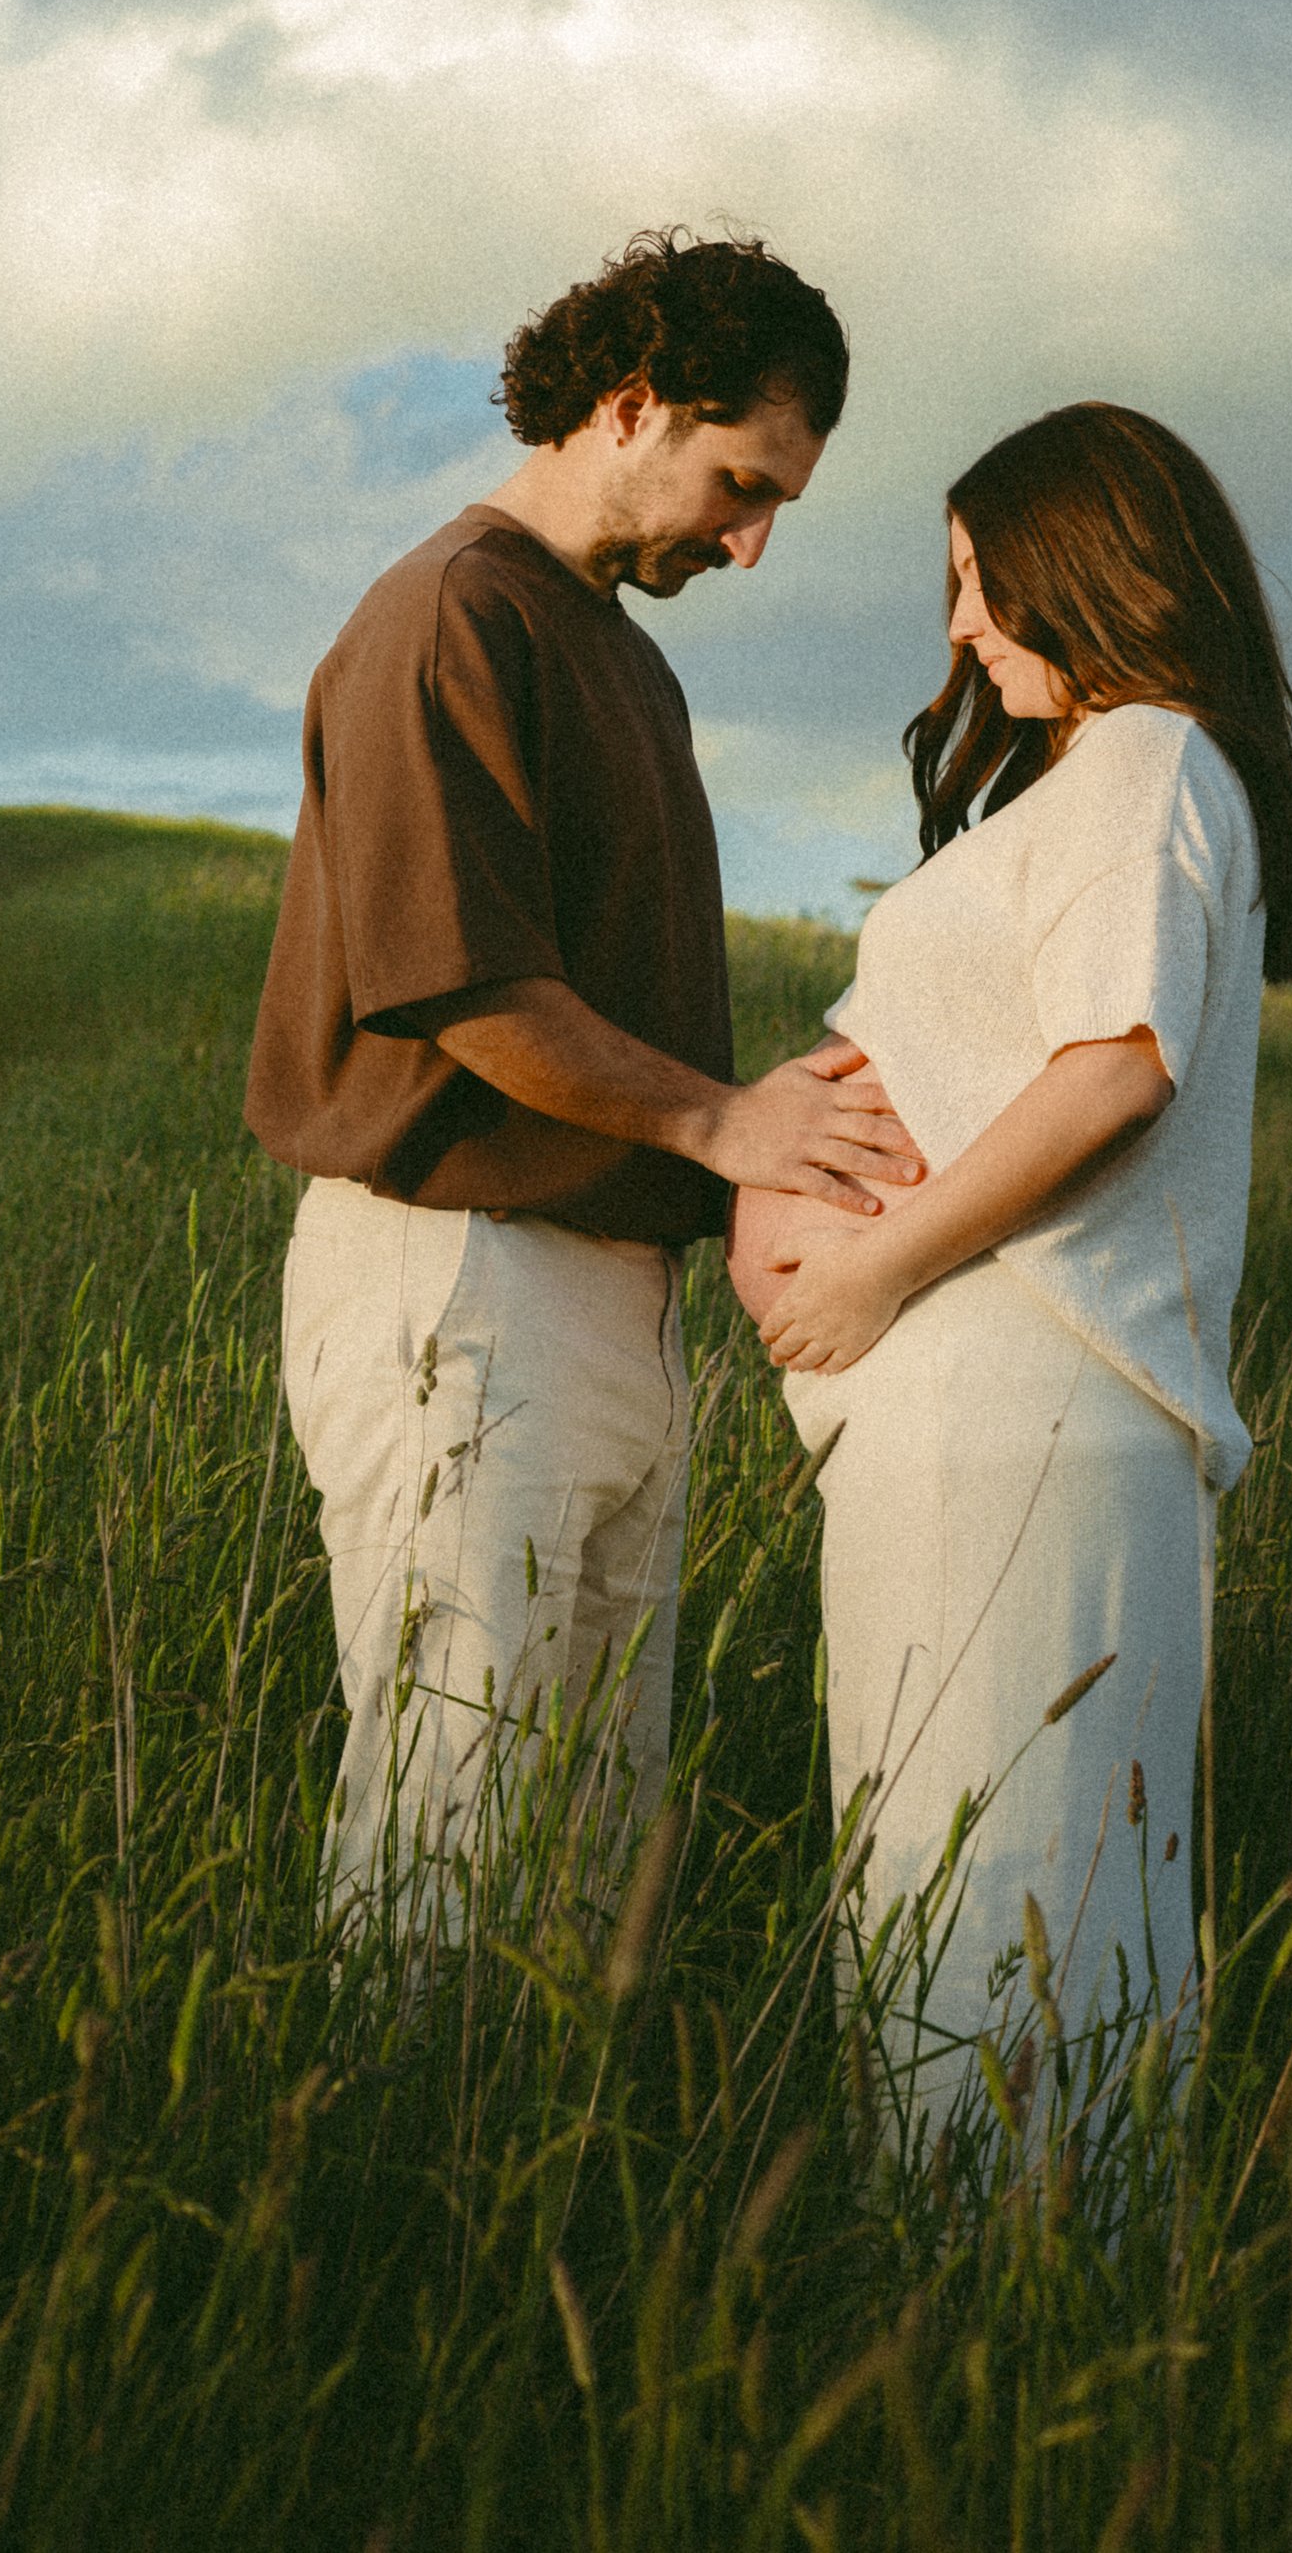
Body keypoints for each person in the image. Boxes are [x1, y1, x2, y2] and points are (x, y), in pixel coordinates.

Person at [247, 229, 922, 1936]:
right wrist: (721, 1118)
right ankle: (393, 2192)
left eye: (780, 505)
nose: (752, 542)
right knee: (450, 1830)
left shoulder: (623, 654)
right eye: (738, 481)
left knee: (590, 1856)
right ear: (627, 405)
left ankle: (532, 2189)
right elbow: (461, 987)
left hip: (612, 1298)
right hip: (460, 1274)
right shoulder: (450, 616)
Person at [730, 402, 1292, 2133]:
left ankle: (1014, 2307)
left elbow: (1114, 1063)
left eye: (981, 581)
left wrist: (864, 1274)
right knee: (946, 1871)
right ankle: (989, 2304)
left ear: (1086, 564)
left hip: (1020, 1407)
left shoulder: (1146, 763)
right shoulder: (1112, 778)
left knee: (1008, 1885)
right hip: (974, 1422)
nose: (961, 629)